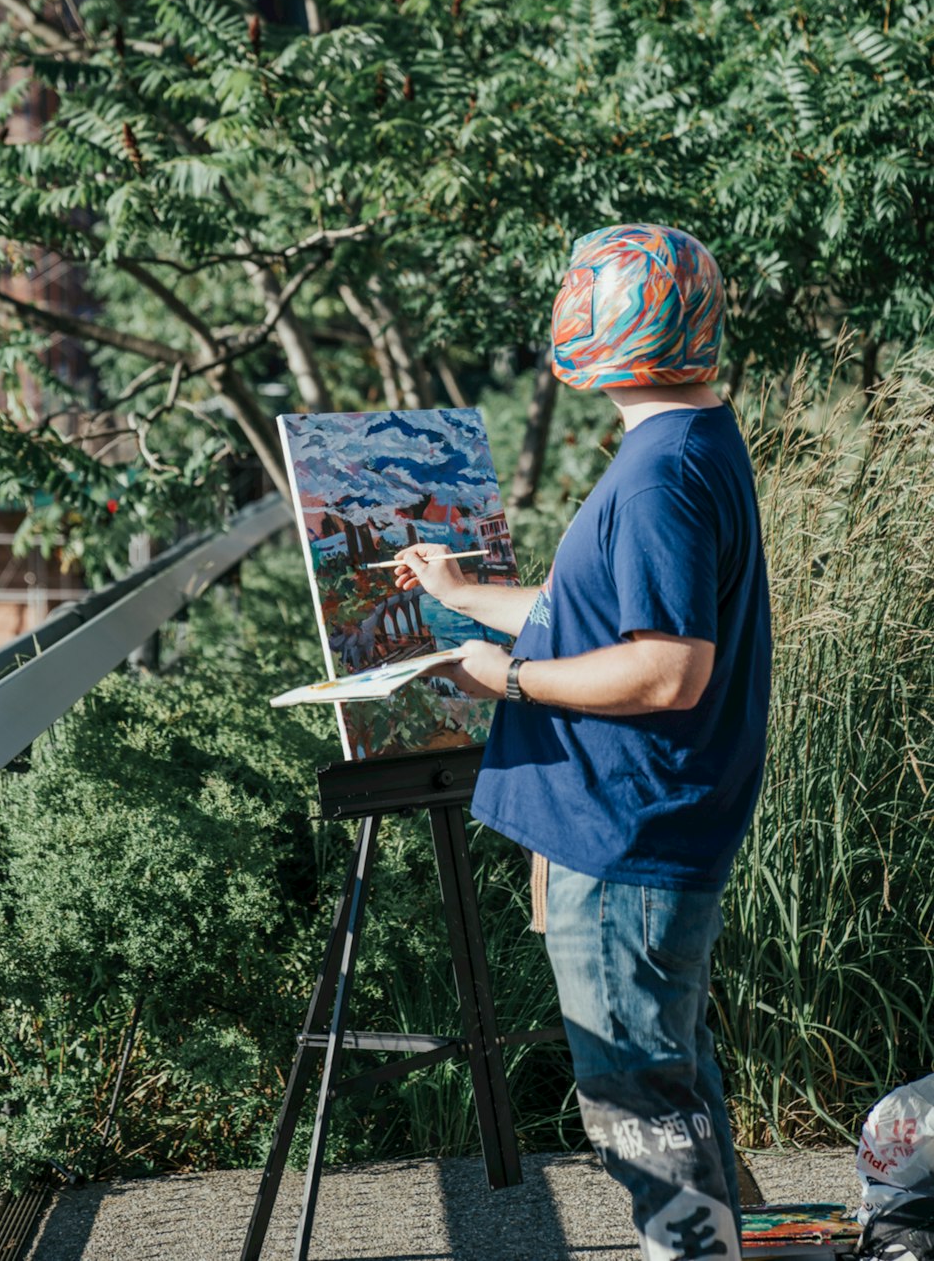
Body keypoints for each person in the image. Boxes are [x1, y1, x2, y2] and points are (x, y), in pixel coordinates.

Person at [394, 223, 771, 1261]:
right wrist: (466, 596)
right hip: (633, 826)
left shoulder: (657, 477)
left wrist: (501, 678)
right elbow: (592, 612)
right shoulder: (689, 441)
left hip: (626, 835)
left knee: (638, 1093)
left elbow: (664, 669)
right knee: (666, 1072)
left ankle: (692, 1251)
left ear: (597, 326)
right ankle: (724, 1246)